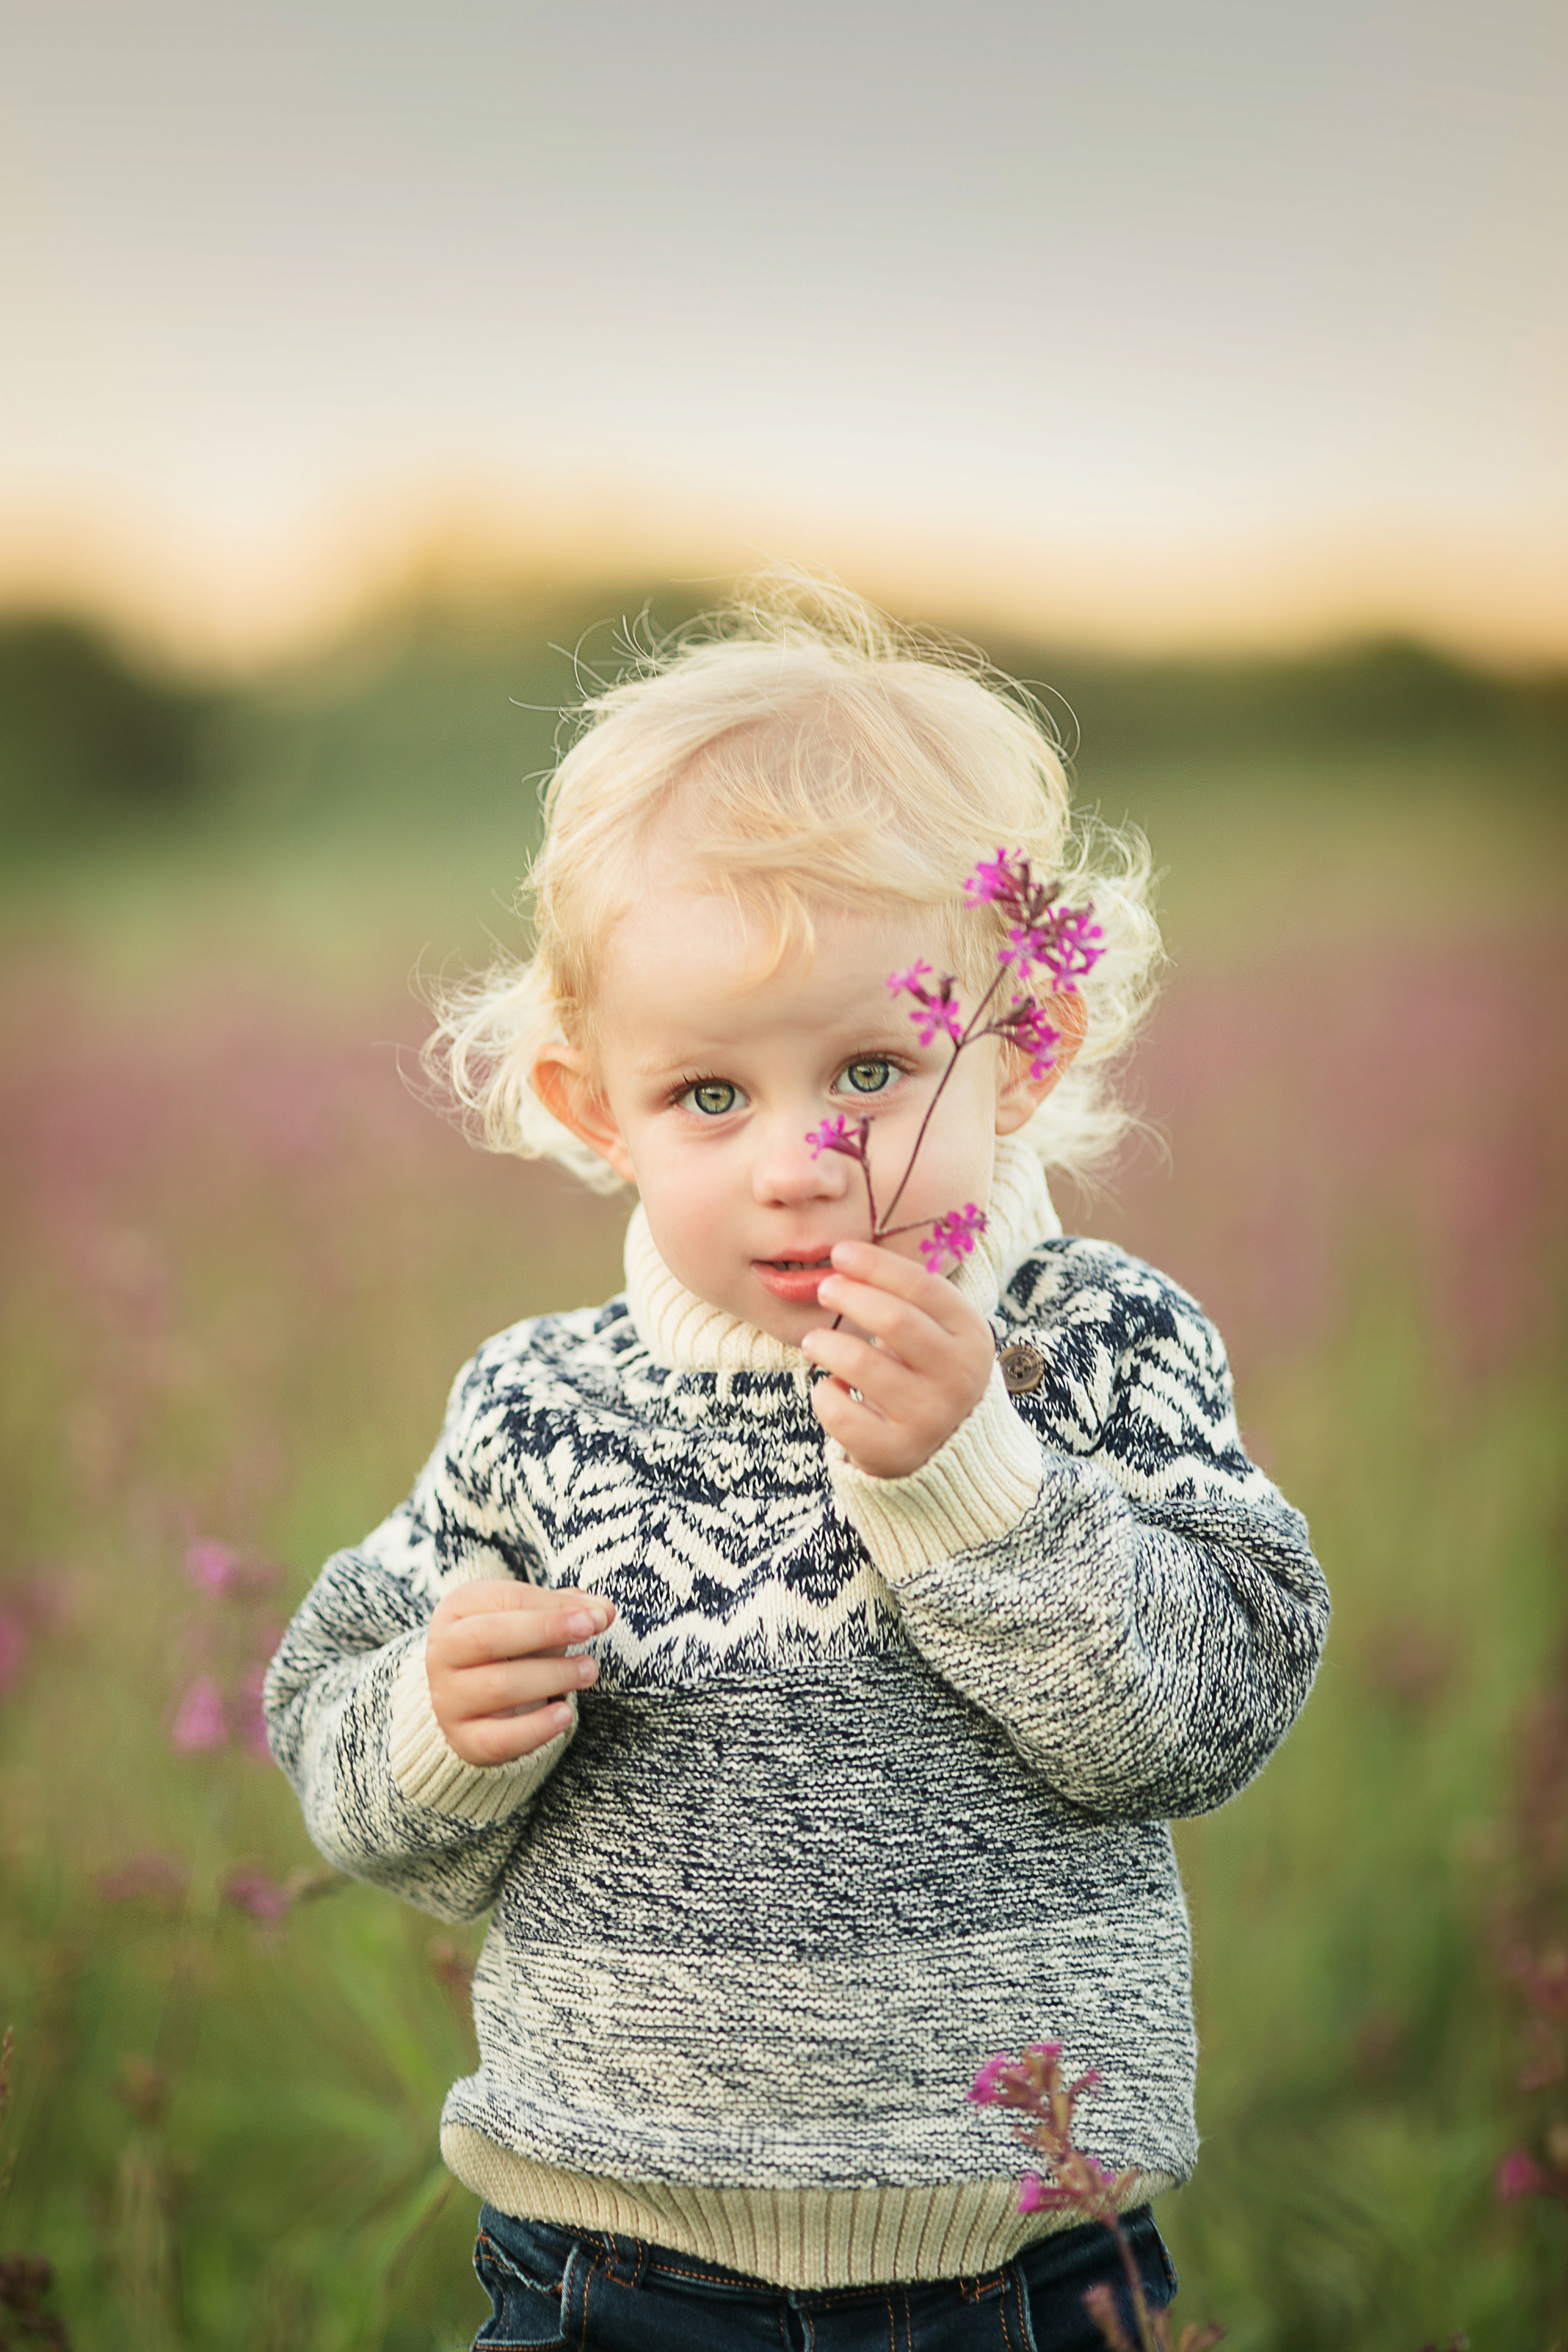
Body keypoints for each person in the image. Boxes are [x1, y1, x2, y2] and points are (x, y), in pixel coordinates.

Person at [265, 579, 1330, 2351]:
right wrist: (436, 1723)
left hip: (1024, 2258)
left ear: (1023, 1050)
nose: (799, 1163)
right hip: (606, 2260)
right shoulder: (539, 1405)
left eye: (871, 1068)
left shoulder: (1099, 1345)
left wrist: (974, 1476)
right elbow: (341, 1752)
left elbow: (1207, 1714)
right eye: (707, 1096)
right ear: (593, 1102)